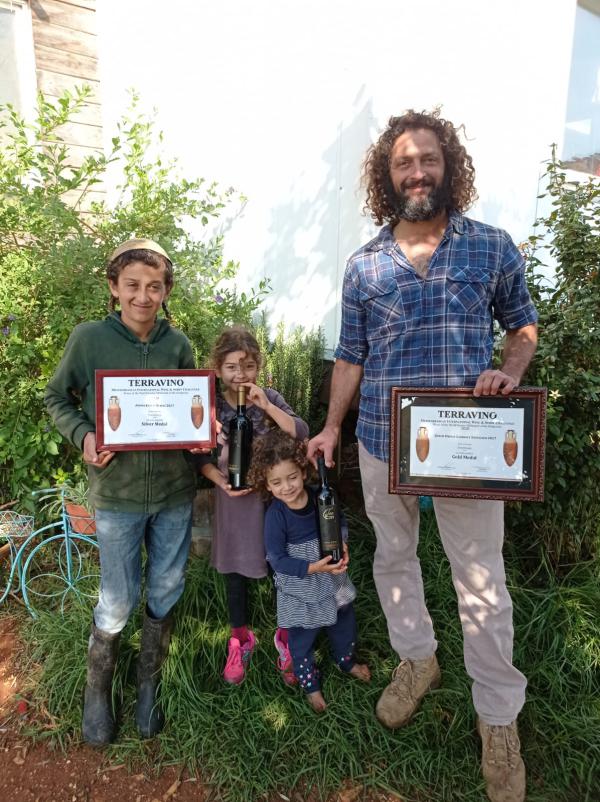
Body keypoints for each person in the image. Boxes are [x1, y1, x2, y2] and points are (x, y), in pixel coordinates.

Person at [308, 109, 538, 802]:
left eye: (428, 159)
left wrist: (511, 372)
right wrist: (329, 429)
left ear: (449, 165)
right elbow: (351, 356)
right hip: (382, 440)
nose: (417, 171)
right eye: (404, 161)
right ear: (387, 173)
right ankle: (418, 660)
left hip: (467, 449)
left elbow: (521, 325)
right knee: (393, 557)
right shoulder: (365, 265)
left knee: (481, 581)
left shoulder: (492, 248)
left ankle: (498, 717)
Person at [45, 238, 200, 746]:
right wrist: (85, 436)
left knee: (164, 591)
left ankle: (149, 687)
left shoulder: (177, 345)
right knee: (117, 599)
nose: (143, 296)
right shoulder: (89, 340)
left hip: (175, 493)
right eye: (132, 285)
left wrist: (206, 433)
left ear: (165, 291)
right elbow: (56, 398)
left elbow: (193, 412)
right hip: (117, 496)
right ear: (114, 288)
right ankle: (97, 692)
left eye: (154, 287)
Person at [198, 326, 309, 685]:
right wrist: (221, 482)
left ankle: (288, 636)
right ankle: (240, 638)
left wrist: (266, 405)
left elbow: (301, 431)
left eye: (247, 366)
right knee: (235, 573)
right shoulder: (211, 403)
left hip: (272, 503)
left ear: (258, 366)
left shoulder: (269, 397)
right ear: (217, 369)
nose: (240, 375)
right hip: (233, 505)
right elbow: (196, 455)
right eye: (231, 367)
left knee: (282, 569)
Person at [249, 429, 370, 712]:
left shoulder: (321, 496)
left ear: (303, 472)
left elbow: (338, 519)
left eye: (292, 477)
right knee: (301, 639)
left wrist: (342, 540)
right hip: (301, 585)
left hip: (333, 574)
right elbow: (277, 560)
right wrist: (312, 567)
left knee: (344, 621)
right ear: (266, 485)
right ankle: (310, 685)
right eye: (276, 482)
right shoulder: (275, 517)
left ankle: (346, 659)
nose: (287, 487)